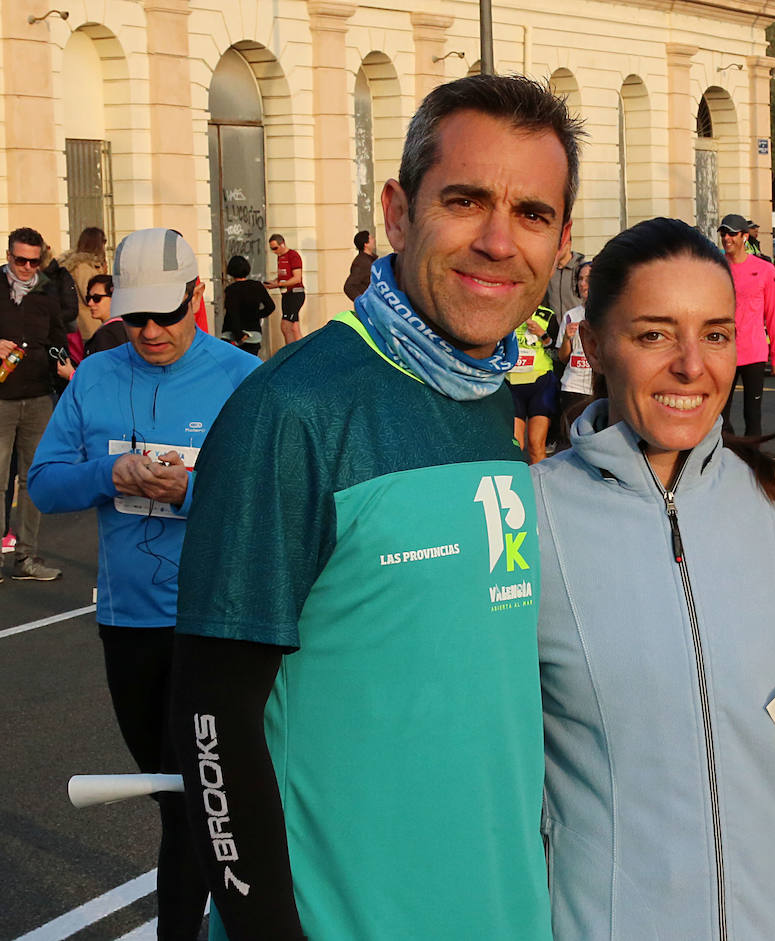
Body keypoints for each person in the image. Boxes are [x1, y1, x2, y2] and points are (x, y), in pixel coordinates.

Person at [170, 74, 584, 939]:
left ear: (561, 240)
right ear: (398, 213)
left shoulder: (490, 393)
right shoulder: (292, 407)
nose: (499, 241)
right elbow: (212, 716)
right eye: (465, 200)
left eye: (533, 214)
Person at [534, 216, 775, 940]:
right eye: (653, 334)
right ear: (592, 347)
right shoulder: (528, 522)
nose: (691, 365)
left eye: (714, 333)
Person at [29, 227, 260, 941]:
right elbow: (42, 485)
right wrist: (110, 473)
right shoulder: (97, 376)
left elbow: (267, 494)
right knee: (174, 798)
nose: (151, 331)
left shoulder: (239, 377)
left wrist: (191, 490)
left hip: (215, 623)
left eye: (166, 313)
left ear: (198, 296)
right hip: (128, 623)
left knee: (196, 795)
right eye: (135, 317)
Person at [0, 227, 67, 582]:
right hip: (1, 399)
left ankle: (26, 557)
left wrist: (64, 368)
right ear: (8, 256)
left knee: (32, 480)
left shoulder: (47, 291)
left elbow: (58, 335)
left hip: (39, 395)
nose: (27, 267)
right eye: (20, 260)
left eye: (33, 261)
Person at [719, 212, 775, 436]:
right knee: (720, 419)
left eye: (732, 234)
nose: (727, 238)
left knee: (753, 416)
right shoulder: (716, 268)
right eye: (723, 233)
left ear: (744, 236)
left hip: (753, 353)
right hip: (723, 353)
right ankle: (727, 460)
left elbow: (773, 314)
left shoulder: (764, 269)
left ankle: (753, 466)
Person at [508, 301, 559, 463]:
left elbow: (558, 352)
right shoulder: (508, 313)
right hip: (512, 382)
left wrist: (542, 334)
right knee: (516, 446)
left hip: (540, 383)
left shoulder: (547, 316)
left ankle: (541, 486)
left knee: (536, 445)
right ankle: (517, 485)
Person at [554, 259, 594, 437]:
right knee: (572, 439)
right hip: (573, 387)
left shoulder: (609, 315)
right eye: (580, 279)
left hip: (597, 388)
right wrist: (566, 339)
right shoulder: (571, 315)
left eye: (588, 279)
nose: (583, 284)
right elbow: (563, 358)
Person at [60, 226, 108, 343]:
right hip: (87, 325)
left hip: (89, 323)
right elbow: (90, 294)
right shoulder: (83, 267)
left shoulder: (89, 265)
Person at [220, 254, 274, 355]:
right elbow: (270, 307)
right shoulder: (258, 286)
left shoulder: (231, 290)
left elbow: (232, 314)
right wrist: (256, 315)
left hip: (232, 335)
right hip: (253, 334)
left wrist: (239, 335)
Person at [265, 233, 304, 344]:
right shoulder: (280, 257)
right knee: (291, 326)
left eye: (275, 248)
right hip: (286, 294)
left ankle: (296, 351)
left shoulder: (293, 255)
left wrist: (278, 285)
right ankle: (291, 351)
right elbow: (283, 276)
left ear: (282, 244)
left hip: (295, 293)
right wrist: (273, 282)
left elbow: (297, 278)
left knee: (288, 325)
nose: (274, 251)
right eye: (272, 249)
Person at [82, 274, 128, 357]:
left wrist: (72, 371)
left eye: (97, 298)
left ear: (114, 298)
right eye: (88, 298)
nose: (90, 303)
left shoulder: (108, 333)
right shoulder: (127, 327)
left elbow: (106, 369)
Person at [342, 229, 376, 301]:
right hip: (369, 306)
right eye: (371, 238)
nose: (374, 240)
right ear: (366, 244)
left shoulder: (371, 260)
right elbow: (348, 286)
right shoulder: (360, 263)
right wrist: (362, 301)